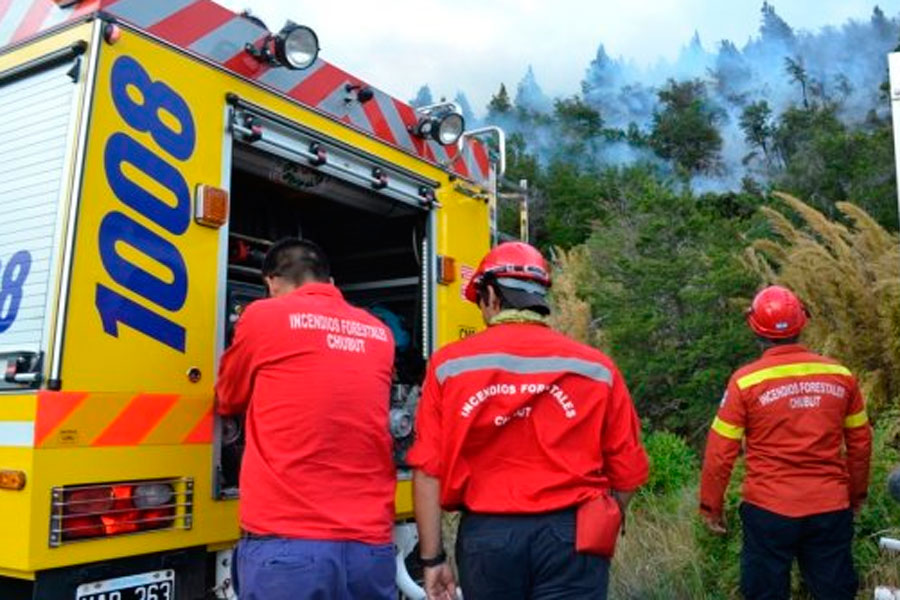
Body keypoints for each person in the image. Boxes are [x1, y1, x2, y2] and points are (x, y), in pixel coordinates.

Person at [407, 242, 649, 600]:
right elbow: (628, 468)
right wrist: (604, 517)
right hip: (573, 535)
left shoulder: (448, 366)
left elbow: (427, 471)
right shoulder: (597, 368)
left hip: (488, 538)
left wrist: (432, 560)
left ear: (490, 295)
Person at [216, 238, 397, 600]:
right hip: (371, 548)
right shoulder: (380, 333)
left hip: (288, 545)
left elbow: (228, 397)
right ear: (331, 283)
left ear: (272, 283)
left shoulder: (263, 315)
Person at [699, 285, 872, 600]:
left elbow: (720, 453)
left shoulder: (745, 381)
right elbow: (860, 445)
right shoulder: (841, 375)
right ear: (802, 322)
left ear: (755, 328)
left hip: (769, 510)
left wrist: (712, 506)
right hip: (830, 507)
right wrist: (856, 496)